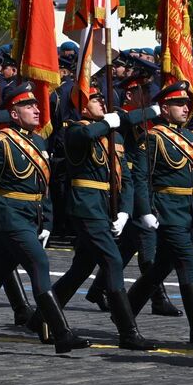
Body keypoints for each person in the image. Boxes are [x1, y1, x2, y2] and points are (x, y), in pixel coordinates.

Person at [0, 83, 84, 356]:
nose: (36, 110)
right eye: (28, 106)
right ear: (13, 113)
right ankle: (61, 333)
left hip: (30, 215)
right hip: (8, 215)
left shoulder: (38, 142)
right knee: (39, 262)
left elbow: (42, 185)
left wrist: (46, 222)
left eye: (36, 105)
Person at [46, 81, 154, 351]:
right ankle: (128, 331)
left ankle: (41, 318)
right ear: (82, 105)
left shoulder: (114, 137)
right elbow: (83, 138)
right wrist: (114, 121)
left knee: (81, 268)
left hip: (107, 208)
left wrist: (125, 212)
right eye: (95, 99)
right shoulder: (75, 130)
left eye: (103, 99)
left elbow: (126, 178)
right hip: (86, 206)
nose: (103, 103)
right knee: (113, 261)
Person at [123, 79, 193, 346]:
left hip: (189, 209)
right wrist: (144, 210)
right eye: (178, 103)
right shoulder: (152, 137)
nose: (184, 107)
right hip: (166, 209)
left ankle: (126, 311)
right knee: (187, 262)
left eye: (186, 103)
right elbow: (141, 177)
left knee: (161, 267)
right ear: (164, 109)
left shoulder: (190, 138)